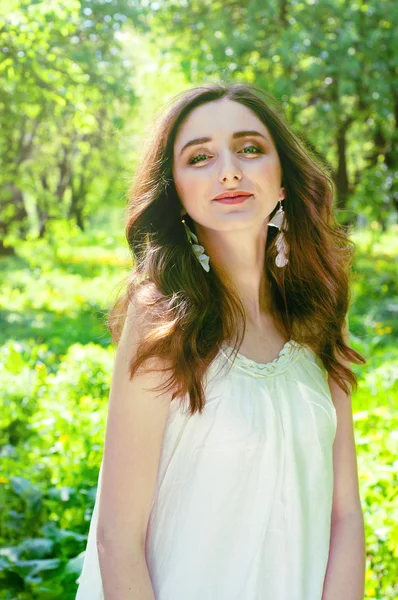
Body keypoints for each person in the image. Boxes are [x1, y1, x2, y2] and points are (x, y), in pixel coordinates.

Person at [75, 83, 366, 600]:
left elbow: (344, 514)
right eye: (200, 157)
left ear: (282, 182)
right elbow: (118, 540)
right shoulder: (161, 318)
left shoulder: (321, 316)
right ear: (178, 195)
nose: (229, 170)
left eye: (250, 148)